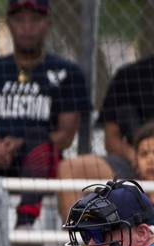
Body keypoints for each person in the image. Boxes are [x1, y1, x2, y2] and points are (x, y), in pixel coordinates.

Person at [0, 0, 90, 226]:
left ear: (48, 24)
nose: (27, 27)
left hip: (39, 162)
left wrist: (21, 143)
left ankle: (25, 221)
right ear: (9, 24)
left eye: (35, 20)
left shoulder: (67, 73)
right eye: (20, 20)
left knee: (38, 138)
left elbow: (65, 137)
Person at [54, 54, 154, 217]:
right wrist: (138, 157)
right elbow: (111, 139)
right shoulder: (129, 75)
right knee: (68, 169)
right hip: (131, 162)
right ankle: (78, 233)